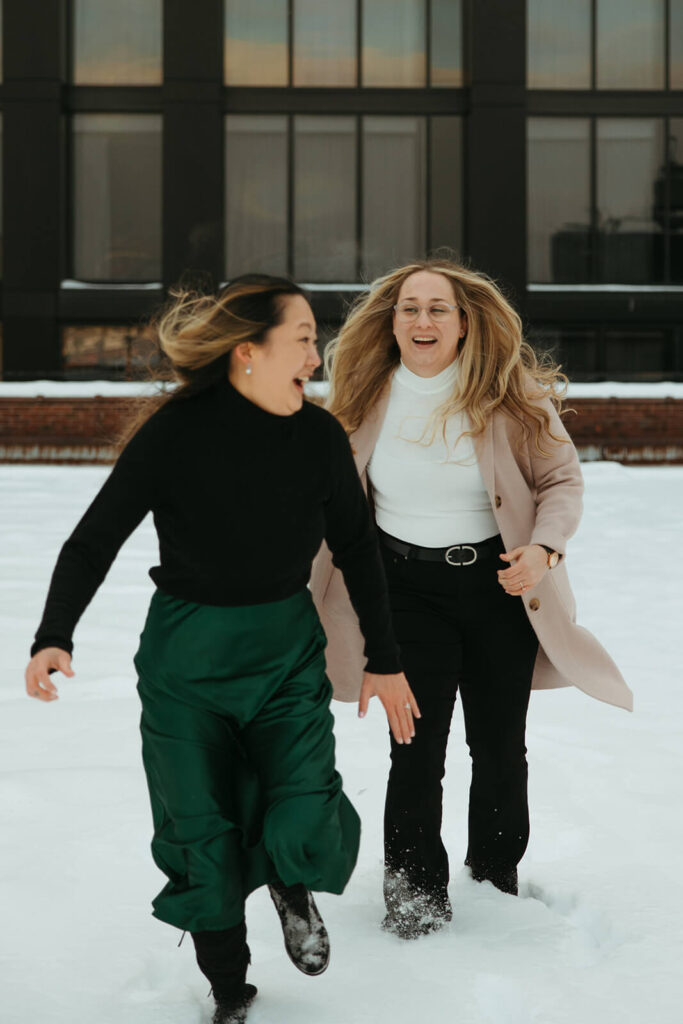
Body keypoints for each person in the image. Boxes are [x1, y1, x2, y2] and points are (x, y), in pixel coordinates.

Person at [24, 275, 417, 1024]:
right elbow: (94, 539)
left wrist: (384, 657)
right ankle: (228, 986)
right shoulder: (175, 433)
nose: (315, 349)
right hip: (186, 661)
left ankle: (289, 883)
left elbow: (359, 551)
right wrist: (53, 635)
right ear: (248, 352)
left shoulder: (319, 436)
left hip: (284, 651)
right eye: (301, 335)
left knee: (302, 802)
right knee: (198, 828)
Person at [310, 257, 632, 941]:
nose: (422, 320)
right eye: (408, 308)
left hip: (497, 589)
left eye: (437, 309)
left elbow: (560, 481)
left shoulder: (507, 393)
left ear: (463, 323)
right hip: (402, 593)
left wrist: (541, 551)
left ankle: (493, 878)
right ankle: (414, 897)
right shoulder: (362, 393)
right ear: (390, 322)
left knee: (497, 746)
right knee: (415, 748)